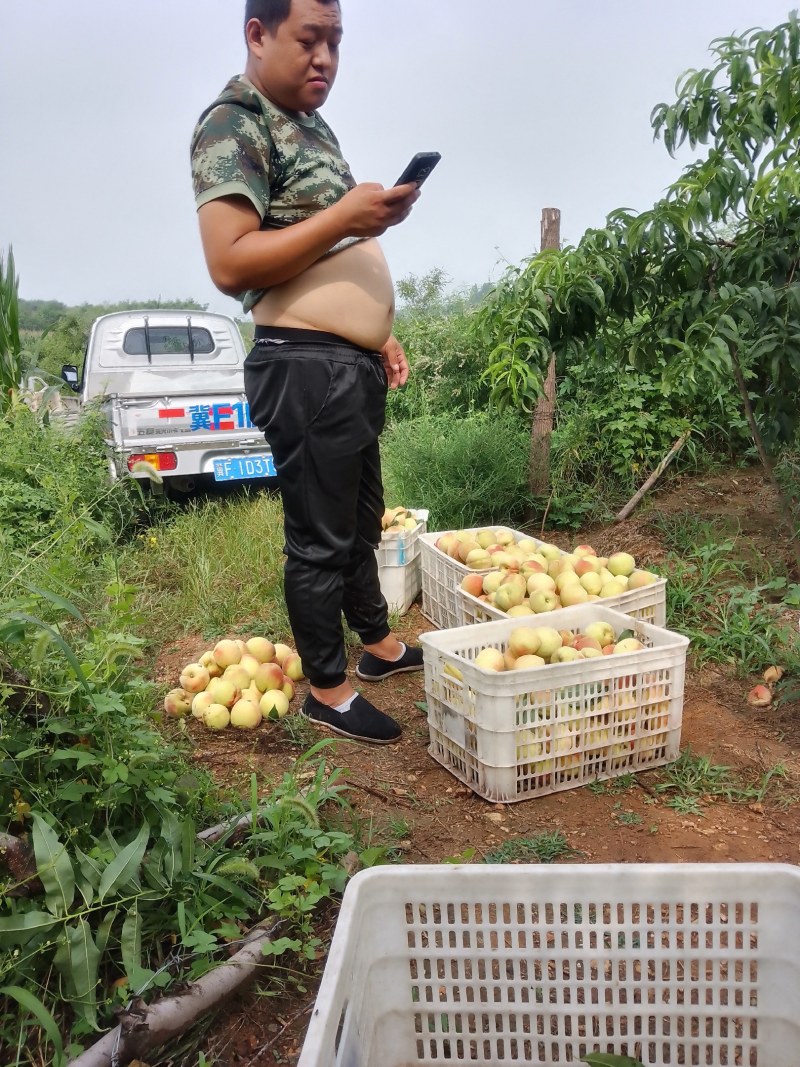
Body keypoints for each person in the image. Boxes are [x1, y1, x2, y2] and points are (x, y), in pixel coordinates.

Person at [190, 0, 426, 744]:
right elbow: (230, 261)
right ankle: (327, 686)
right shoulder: (233, 121)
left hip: (346, 363)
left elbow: (324, 253)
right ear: (257, 36)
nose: (325, 57)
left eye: (336, 42)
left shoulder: (314, 127)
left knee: (360, 522)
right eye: (308, 39)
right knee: (320, 537)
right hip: (304, 366)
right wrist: (347, 219)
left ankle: (379, 646)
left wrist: (377, 333)